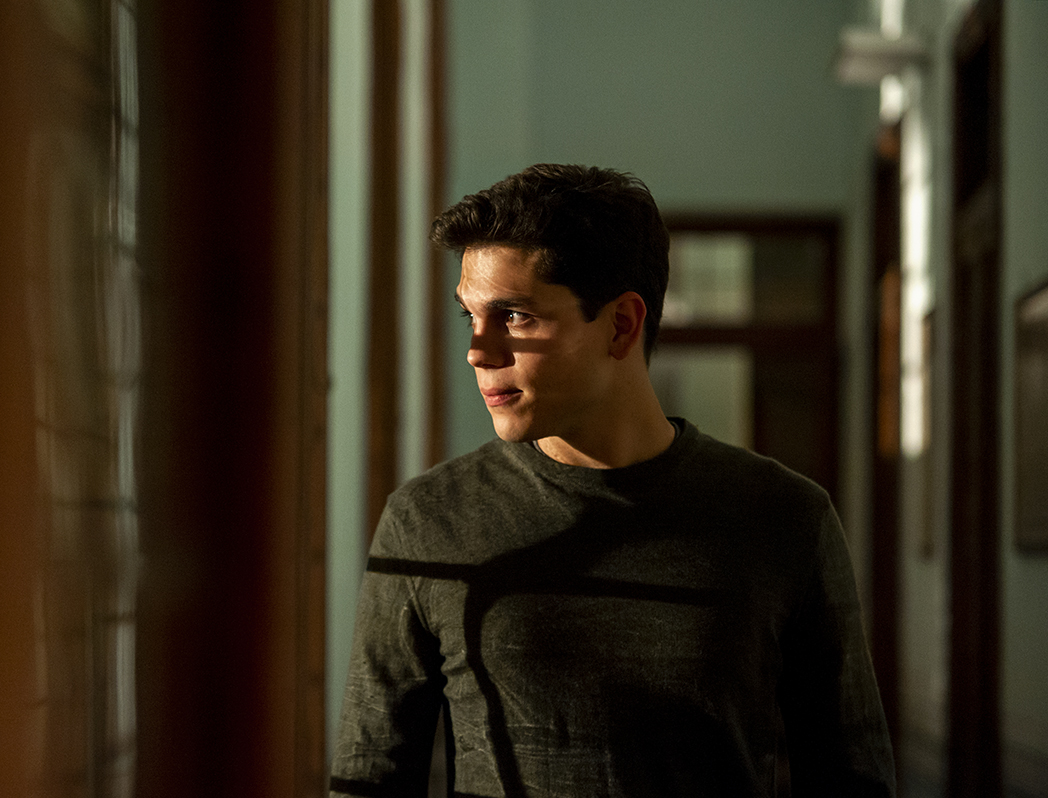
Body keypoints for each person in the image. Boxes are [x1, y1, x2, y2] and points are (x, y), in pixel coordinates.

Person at [330, 164, 895, 797]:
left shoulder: (783, 517)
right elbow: (369, 778)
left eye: (514, 316)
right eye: (471, 317)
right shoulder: (429, 519)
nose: (478, 352)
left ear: (622, 324)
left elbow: (852, 779)